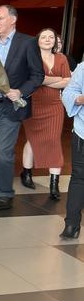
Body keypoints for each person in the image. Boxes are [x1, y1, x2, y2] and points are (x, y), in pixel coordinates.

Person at [0, 5, 44, 210]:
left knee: (3, 150)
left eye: (0, 18)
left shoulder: (27, 43)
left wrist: (20, 92)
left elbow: (37, 75)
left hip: (10, 106)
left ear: (13, 20)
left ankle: (5, 193)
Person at [20, 28, 71, 200]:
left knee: (53, 140)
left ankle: (54, 184)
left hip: (55, 106)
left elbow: (68, 81)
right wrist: (56, 79)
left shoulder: (62, 58)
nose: (48, 39)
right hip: (33, 104)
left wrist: (43, 80)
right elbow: (35, 80)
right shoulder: (30, 57)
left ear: (55, 41)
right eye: (44, 37)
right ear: (38, 40)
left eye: (51, 37)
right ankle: (26, 173)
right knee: (33, 140)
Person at [61, 62, 84, 238]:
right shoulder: (83, 67)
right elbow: (69, 92)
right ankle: (71, 224)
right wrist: (80, 99)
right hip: (82, 131)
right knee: (79, 177)